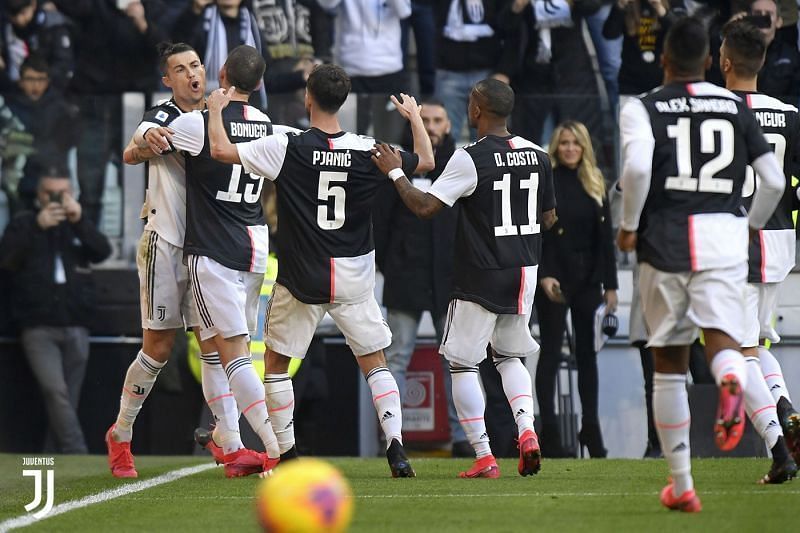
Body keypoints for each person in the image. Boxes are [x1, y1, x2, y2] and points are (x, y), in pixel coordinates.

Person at [205, 63, 434, 477]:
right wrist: (415, 118)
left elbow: (220, 152)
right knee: (375, 362)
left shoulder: (286, 144)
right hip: (353, 276)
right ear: (342, 102)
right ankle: (397, 446)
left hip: (302, 276)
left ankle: (288, 454)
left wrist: (218, 111)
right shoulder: (369, 148)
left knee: (276, 365)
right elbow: (426, 160)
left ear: (308, 98)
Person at [617, 17, 785, 512]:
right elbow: (772, 181)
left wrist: (629, 224)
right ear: (711, 62)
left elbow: (638, 168)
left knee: (668, 363)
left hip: (665, 240)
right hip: (724, 240)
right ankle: (731, 375)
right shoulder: (734, 105)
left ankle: (683, 485)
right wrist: (748, 224)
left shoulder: (642, 106)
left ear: (665, 59)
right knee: (726, 340)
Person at [372, 78, 557, 478]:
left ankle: (484, 455)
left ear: (476, 110)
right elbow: (548, 218)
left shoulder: (468, 157)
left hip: (481, 271)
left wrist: (394, 174)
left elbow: (424, 207)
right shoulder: (539, 154)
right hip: (524, 270)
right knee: (509, 355)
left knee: (461, 363)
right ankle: (527, 432)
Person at [106, 42, 262, 479]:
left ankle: (230, 443)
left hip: (210, 247)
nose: (192, 73)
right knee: (158, 348)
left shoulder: (221, 115)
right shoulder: (164, 115)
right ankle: (121, 435)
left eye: (195, 64)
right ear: (167, 80)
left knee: (212, 344)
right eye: (180, 68)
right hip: (167, 241)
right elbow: (134, 145)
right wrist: (144, 144)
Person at [140, 44, 293, 474]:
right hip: (256, 247)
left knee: (233, 352)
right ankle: (229, 439)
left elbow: (147, 145)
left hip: (214, 250)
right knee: (213, 344)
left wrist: (142, 142)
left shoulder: (197, 123)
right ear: (259, 84)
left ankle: (275, 447)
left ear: (220, 72)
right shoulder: (266, 124)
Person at [721, 19, 800, 478]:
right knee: (757, 340)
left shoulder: (713, 108)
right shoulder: (789, 113)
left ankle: (778, 449)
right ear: (764, 61)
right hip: (779, 239)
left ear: (725, 61)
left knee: (737, 349)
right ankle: (786, 409)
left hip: (733, 241)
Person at [373, 99, 470, 457]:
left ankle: (464, 438)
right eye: (424, 119)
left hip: (451, 278)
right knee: (396, 358)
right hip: (406, 275)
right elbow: (379, 222)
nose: (430, 126)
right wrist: (390, 262)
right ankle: (392, 437)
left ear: (448, 125)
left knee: (457, 360)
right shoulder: (395, 162)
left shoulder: (461, 164)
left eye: (437, 120)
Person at [0, 167, 112, 453]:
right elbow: (7, 260)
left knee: (67, 399)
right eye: (50, 193)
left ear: (72, 194)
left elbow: (102, 251)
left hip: (76, 321)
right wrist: (37, 227)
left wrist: (79, 221)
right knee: (55, 391)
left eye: (62, 193)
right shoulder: (24, 223)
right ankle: (78, 453)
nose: (56, 200)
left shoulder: (77, 224)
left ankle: (54, 459)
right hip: (38, 324)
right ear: (38, 195)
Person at [536, 120, 618, 458]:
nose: (570, 148)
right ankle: (550, 431)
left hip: (588, 279)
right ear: (557, 147)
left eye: (576, 143)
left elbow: (606, 240)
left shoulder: (595, 182)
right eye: (565, 143)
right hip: (554, 278)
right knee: (551, 353)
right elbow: (538, 233)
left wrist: (611, 286)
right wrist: (544, 275)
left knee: (588, 357)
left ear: (584, 147)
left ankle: (591, 427)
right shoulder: (547, 181)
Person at [5, 54, 78, 211]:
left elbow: (64, 146)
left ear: (48, 81)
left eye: (41, 79)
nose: (36, 85)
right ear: (21, 80)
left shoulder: (61, 109)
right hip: (18, 184)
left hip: (52, 182)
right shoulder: (9, 108)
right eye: (30, 79)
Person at [602, 0, 687, 97]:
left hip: (663, 80)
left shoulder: (673, 3)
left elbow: (682, 35)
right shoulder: (629, 5)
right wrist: (620, 6)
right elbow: (609, 34)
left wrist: (661, 10)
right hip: (630, 81)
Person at [0, 0, 74, 92]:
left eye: (23, 13)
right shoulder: (6, 26)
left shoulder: (53, 26)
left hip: (44, 92)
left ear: (33, 4)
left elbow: (62, 65)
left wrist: (39, 81)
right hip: (11, 91)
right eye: (13, 15)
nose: (19, 20)